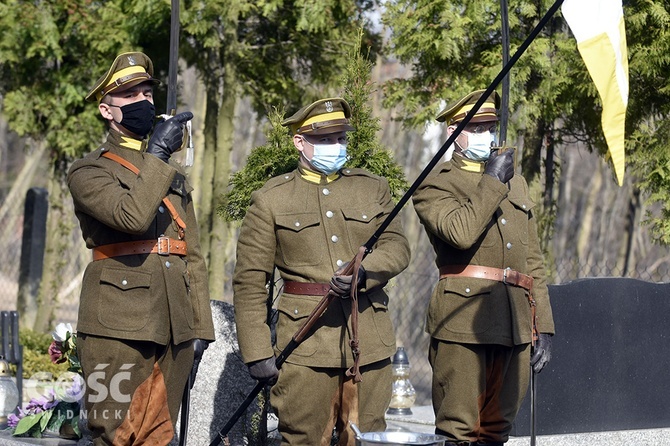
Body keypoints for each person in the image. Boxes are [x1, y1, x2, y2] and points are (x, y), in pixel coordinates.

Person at [233, 98, 411, 445]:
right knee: (302, 439)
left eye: (341, 139)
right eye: (326, 140)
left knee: (367, 439)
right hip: (304, 346)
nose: (337, 147)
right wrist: (256, 352)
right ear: (299, 141)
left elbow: (398, 247)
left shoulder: (371, 187)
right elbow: (251, 281)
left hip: (368, 344)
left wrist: (365, 273)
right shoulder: (271, 199)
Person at [67, 51, 215, 445]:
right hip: (116, 326)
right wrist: (158, 155)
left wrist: (200, 327)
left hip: (175, 323)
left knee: (158, 436)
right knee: (114, 434)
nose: (144, 101)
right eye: (131, 95)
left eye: (148, 93)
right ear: (107, 110)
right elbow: (131, 217)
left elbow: (191, 253)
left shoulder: (170, 175)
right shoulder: (89, 171)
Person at [411, 90, 555, 446]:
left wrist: (544, 325)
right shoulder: (435, 182)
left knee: (496, 431)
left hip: (516, 323)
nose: (486, 135)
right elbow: (460, 233)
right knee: (459, 431)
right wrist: (492, 180)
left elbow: (531, 258)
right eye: (475, 127)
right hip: (462, 321)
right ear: (453, 132)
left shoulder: (516, 182)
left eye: (490, 126)